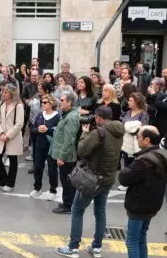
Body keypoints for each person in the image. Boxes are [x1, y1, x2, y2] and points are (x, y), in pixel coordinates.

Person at [55, 106, 124, 258]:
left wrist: (85, 134)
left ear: (99, 118)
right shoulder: (119, 132)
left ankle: (73, 248)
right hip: (107, 178)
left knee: (77, 210)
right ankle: (97, 247)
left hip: (91, 180)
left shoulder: (98, 133)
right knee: (100, 212)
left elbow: (81, 151)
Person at [119, 126, 167, 258]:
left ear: (147, 140)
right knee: (141, 237)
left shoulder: (144, 161)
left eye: (138, 137)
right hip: (153, 204)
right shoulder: (162, 154)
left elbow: (123, 178)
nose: (137, 139)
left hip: (139, 205)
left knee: (132, 241)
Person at [51, 91, 81, 215]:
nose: (60, 102)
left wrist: (61, 156)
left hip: (66, 156)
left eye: (62, 100)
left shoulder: (71, 117)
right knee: (66, 180)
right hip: (64, 154)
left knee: (67, 181)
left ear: (69, 102)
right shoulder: (68, 114)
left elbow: (69, 140)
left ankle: (68, 206)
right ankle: (67, 201)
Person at [0, 84, 24, 192]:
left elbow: (19, 124)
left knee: (12, 159)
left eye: (6, 92)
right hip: (1, 136)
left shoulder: (18, 106)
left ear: (12, 94)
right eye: (2, 92)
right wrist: (1, 133)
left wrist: (8, 135)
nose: (3, 94)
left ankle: (10, 184)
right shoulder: (1, 103)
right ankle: (2, 179)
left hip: (12, 137)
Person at [29, 94, 60, 200]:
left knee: (52, 168)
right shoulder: (39, 115)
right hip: (39, 145)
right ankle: (37, 188)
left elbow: (59, 132)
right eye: (42, 102)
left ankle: (53, 190)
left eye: (45, 102)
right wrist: (38, 130)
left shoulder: (57, 116)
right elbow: (32, 130)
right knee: (38, 167)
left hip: (51, 146)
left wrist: (48, 130)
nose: (43, 104)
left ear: (52, 103)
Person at [119, 92, 151, 191]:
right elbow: (124, 124)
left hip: (137, 142)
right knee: (127, 162)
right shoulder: (128, 112)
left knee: (136, 163)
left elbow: (142, 127)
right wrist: (131, 126)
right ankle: (127, 182)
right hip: (126, 141)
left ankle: (135, 182)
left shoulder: (143, 114)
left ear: (136, 102)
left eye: (130, 100)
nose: (128, 102)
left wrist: (130, 126)